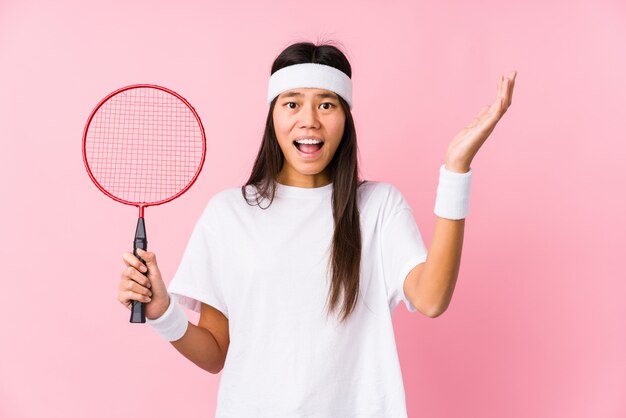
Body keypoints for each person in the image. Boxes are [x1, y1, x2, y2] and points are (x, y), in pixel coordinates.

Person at [117, 41, 517, 417]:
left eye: (326, 105)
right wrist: (162, 312)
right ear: (273, 115)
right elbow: (215, 352)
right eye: (292, 104)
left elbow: (431, 299)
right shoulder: (228, 214)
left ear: (346, 118)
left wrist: (456, 171)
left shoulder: (377, 207)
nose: (309, 121)